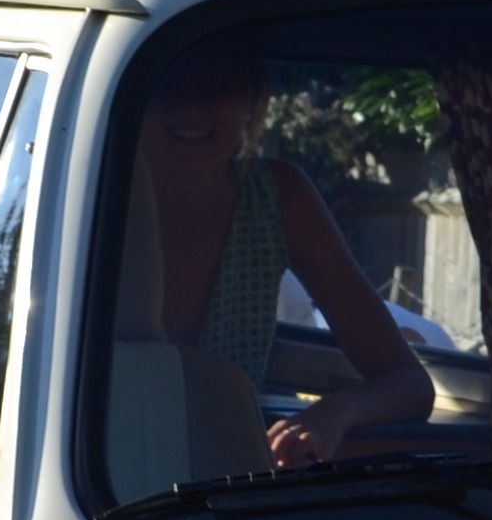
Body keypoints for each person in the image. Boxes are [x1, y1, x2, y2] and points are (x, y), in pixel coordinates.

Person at [133, 49, 436, 468]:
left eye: (217, 89)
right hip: (85, 486)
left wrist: (331, 415)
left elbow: (410, 384)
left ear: (253, 106)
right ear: (134, 97)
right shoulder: (87, 189)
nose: (190, 105)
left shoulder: (277, 199)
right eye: (169, 86)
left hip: (222, 492)